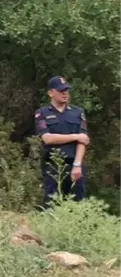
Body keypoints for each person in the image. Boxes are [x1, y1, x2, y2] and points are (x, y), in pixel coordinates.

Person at [35, 75, 89, 208]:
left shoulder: (77, 112)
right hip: (53, 165)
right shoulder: (42, 113)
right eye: (61, 90)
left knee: (78, 206)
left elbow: (83, 140)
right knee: (51, 205)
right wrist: (75, 136)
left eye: (66, 90)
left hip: (74, 164)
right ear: (51, 93)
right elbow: (48, 138)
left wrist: (77, 165)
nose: (65, 93)